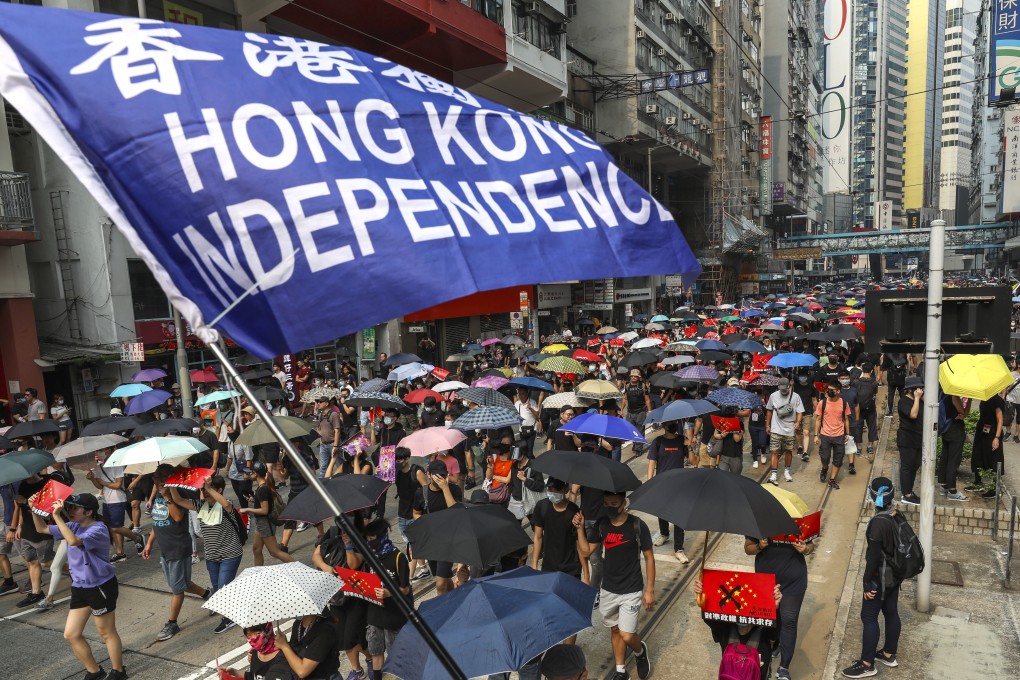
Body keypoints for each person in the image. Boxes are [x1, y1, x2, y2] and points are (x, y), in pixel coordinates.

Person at [29, 493, 126, 680]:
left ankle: (119, 671)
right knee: (71, 634)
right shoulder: (73, 526)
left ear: (89, 512)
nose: (70, 510)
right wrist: (34, 509)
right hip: (80, 586)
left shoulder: (97, 529)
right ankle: (94, 671)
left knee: (106, 632)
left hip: (100, 586)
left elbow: (73, 541)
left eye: (75, 507)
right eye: (70, 507)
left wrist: (57, 515)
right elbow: (41, 528)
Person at [579, 491, 654, 680]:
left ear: (623, 503)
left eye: (614, 503)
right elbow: (586, 550)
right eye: (606, 503)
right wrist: (580, 528)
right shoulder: (602, 524)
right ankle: (621, 671)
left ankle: (639, 651)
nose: (609, 507)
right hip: (608, 588)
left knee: (627, 635)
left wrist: (650, 590)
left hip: (632, 588)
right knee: (614, 630)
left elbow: (649, 557)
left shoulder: (637, 525)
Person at [841, 478, 904, 678]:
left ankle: (867, 663)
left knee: (868, 617)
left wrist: (867, 582)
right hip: (895, 575)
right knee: (891, 612)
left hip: (880, 578)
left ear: (873, 496)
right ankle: (888, 654)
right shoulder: (897, 515)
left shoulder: (878, 523)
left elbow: (874, 557)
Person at [142, 465, 211, 642]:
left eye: (159, 480)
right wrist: (149, 543)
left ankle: (172, 623)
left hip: (178, 548)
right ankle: (207, 595)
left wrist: (167, 496)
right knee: (181, 583)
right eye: (155, 480)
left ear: (169, 479)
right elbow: (158, 520)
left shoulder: (177, 493)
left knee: (177, 588)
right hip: (165, 549)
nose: (156, 483)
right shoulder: (159, 494)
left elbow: (178, 517)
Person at [744, 532, 815, 680]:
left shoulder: (797, 520)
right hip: (766, 580)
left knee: (789, 620)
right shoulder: (758, 521)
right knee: (771, 618)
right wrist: (760, 546)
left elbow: (810, 545)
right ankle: (775, 643)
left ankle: (784, 668)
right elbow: (748, 548)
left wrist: (805, 549)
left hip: (794, 580)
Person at [693, 578, 782, 680]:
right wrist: (704, 593)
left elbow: (775, 629)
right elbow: (709, 616)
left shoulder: (765, 633)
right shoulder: (725, 629)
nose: (743, 612)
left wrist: (775, 607)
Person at [359, 519, 411, 679]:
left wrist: (389, 592)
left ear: (382, 537)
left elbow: (405, 588)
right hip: (374, 612)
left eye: (373, 540)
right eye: (368, 540)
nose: (370, 544)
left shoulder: (398, 557)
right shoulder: (370, 558)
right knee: (375, 651)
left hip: (393, 614)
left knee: (395, 654)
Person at [198, 475, 244, 634]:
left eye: (209, 490)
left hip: (230, 554)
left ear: (219, 490)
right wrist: (169, 489)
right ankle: (234, 607)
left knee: (223, 588)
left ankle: (229, 618)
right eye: (203, 490)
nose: (205, 493)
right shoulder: (200, 505)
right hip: (212, 557)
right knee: (219, 588)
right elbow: (180, 502)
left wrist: (208, 487)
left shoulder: (226, 505)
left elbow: (224, 503)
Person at [531, 477, 590, 594]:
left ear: (565, 490)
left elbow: (579, 544)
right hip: (548, 569)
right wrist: (534, 563)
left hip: (570, 569)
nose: (552, 493)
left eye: (556, 490)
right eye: (549, 489)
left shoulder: (574, 512)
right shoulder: (542, 507)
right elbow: (538, 537)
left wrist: (586, 575)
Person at [412, 459, 463, 594]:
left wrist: (445, 488)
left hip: (448, 541)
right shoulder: (421, 493)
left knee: (440, 584)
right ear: (428, 474)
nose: (440, 478)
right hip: (431, 542)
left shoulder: (454, 489)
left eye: (443, 475)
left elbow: (456, 513)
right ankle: (454, 598)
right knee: (444, 579)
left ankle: (442, 611)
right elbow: (416, 513)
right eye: (437, 475)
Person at [646, 421, 690, 564]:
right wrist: (650, 482)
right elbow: (652, 463)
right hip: (662, 483)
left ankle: (679, 549)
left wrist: (689, 447)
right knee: (662, 511)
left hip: (680, 484)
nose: (673, 425)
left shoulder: (681, 440)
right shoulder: (657, 442)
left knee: (678, 516)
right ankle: (664, 533)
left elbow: (693, 460)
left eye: (675, 423)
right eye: (670, 423)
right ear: (664, 425)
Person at [239, 461, 295, 566]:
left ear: (256, 474)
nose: (249, 474)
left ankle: (298, 567)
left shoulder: (262, 489)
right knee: (256, 549)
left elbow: (264, 510)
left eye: (251, 473)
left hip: (265, 523)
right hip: (261, 523)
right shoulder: (263, 487)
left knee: (274, 552)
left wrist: (248, 510)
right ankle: (258, 572)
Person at [12, 469, 54, 608]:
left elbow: (47, 509)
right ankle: (36, 593)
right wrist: (19, 526)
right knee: (32, 561)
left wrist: (25, 501)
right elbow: (22, 511)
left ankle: (76, 573)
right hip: (27, 531)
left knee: (47, 562)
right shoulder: (23, 486)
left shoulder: (47, 482)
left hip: (42, 530)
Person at [273, 612, 342, 680]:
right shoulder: (298, 624)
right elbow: (294, 654)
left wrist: (284, 646)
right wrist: (283, 643)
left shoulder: (324, 632)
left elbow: (302, 671)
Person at [766, 377, 805, 485]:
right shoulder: (773, 396)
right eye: (781, 388)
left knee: (788, 450)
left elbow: (800, 411)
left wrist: (798, 422)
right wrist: (767, 425)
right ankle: (773, 474)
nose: (783, 390)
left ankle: (787, 471)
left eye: (785, 388)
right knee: (775, 451)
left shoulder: (796, 396)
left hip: (790, 429)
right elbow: (769, 410)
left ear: (789, 386)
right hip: (776, 428)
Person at [969, 385, 1005, 498]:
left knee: (994, 459)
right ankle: (978, 482)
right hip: (982, 431)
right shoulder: (985, 398)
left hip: (993, 432)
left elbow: (1000, 420)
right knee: (977, 455)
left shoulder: (996, 400)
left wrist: (997, 437)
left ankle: (995, 489)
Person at [219, 623, 291, 680]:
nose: (254, 638)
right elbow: (253, 676)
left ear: (267, 630)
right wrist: (233, 672)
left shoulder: (284, 655)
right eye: (249, 635)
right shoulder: (254, 653)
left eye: (258, 633)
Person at [814, 380, 851, 490]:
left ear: (838, 391)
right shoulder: (822, 403)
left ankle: (832, 480)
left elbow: (846, 419)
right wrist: (816, 435)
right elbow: (818, 419)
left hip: (839, 435)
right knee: (825, 457)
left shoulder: (844, 403)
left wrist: (847, 434)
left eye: (832, 390)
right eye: (828, 389)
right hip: (825, 435)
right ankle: (825, 468)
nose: (829, 391)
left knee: (838, 459)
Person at [895, 377, 924, 505]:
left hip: (918, 439)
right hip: (907, 439)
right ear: (911, 389)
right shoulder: (903, 402)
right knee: (907, 466)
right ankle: (906, 494)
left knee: (914, 466)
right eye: (918, 388)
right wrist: (917, 399)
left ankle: (910, 492)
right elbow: (913, 415)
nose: (921, 390)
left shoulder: (921, 401)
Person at [939, 392, 970, 501]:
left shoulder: (944, 395)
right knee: (953, 460)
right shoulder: (954, 396)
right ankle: (952, 490)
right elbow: (965, 413)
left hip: (946, 429)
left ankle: (944, 486)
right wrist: (969, 399)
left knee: (946, 457)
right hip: (955, 431)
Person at [851, 363, 881, 458]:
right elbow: (875, 393)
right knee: (871, 426)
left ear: (862, 371)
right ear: (871, 371)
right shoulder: (874, 382)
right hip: (871, 408)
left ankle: (858, 447)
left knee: (858, 426)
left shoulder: (856, 382)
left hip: (858, 408)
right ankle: (870, 446)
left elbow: (854, 394)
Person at [838, 367, 862, 475]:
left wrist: (857, 418)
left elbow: (857, 405)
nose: (845, 380)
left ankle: (851, 464)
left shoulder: (853, 390)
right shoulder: (836, 391)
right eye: (842, 378)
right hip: (838, 422)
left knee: (850, 442)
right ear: (838, 379)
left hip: (851, 420)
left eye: (846, 378)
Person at [623, 370, 652, 455]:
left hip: (641, 412)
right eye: (632, 376)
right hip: (630, 412)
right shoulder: (627, 386)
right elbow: (625, 398)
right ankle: (635, 444)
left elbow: (647, 399)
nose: (633, 378)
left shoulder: (643, 386)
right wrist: (621, 409)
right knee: (631, 430)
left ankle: (638, 449)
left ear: (639, 377)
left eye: (635, 376)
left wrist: (650, 411)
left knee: (640, 431)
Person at [314, 396, 342, 478]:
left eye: (320, 402)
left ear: (326, 403)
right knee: (323, 467)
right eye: (317, 402)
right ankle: (322, 485)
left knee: (339, 464)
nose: (318, 404)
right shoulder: (320, 415)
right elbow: (319, 428)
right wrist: (320, 438)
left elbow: (337, 430)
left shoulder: (333, 414)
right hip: (323, 444)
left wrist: (336, 446)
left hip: (332, 444)